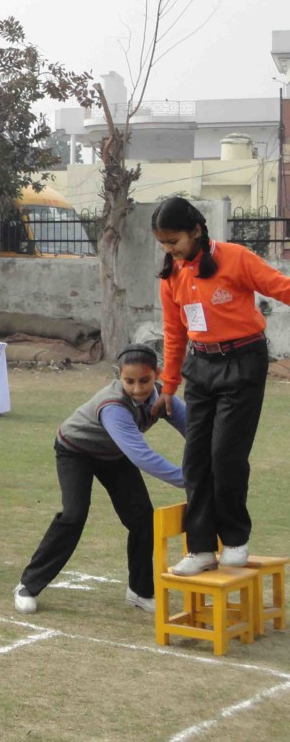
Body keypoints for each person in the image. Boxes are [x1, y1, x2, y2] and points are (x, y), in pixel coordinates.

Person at [150, 196, 290, 576]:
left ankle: (235, 539)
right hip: (201, 367)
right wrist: (168, 385)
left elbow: (281, 287)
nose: (169, 250)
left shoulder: (236, 257)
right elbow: (174, 333)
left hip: (243, 363)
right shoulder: (171, 276)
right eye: (163, 244)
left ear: (195, 230)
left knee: (226, 456)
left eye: (174, 241)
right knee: (195, 460)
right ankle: (199, 548)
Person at [14, 344, 186, 614]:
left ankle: (140, 591)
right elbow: (141, 455)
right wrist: (188, 479)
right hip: (75, 451)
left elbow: (195, 430)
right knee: (74, 514)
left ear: (157, 375)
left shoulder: (163, 398)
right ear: (120, 376)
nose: (138, 388)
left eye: (144, 380)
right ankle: (27, 585)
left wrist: (215, 463)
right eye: (129, 381)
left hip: (113, 454)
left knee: (142, 518)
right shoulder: (113, 406)